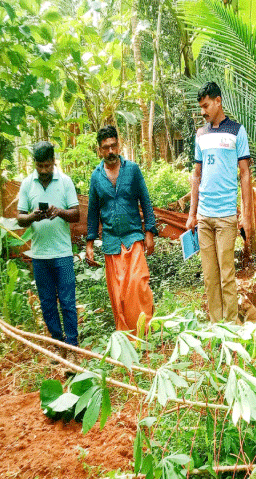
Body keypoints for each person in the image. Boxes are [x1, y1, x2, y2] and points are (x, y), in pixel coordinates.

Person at [185, 82, 254, 323]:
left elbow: (245, 174)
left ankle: (232, 325)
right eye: (201, 107)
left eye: (206, 106)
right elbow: (196, 174)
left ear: (218, 101)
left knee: (227, 275)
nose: (203, 111)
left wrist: (246, 215)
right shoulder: (200, 135)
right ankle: (216, 326)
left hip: (226, 216)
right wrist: (192, 214)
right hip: (204, 217)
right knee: (209, 276)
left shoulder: (237, 131)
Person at [86, 125, 157, 334]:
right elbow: (92, 212)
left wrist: (149, 232)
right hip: (111, 242)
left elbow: (145, 201)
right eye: (105, 147)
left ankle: (145, 332)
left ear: (119, 145)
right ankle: (127, 337)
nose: (110, 151)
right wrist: (89, 244)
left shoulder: (132, 170)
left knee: (138, 285)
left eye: (113, 145)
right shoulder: (96, 176)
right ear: (99, 150)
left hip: (133, 236)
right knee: (119, 295)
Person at [17, 142, 80, 348]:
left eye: (47, 166)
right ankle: (58, 344)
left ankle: (72, 346)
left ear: (54, 161)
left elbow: (76, 214)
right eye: (40, 166)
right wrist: (33, 216)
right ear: (34, 163)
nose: (44, 171)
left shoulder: (65, 182)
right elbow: (19, 218)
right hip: (40, 256)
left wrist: (59, 211)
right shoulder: (27, 184)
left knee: (68, 302)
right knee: (47, 304)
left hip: (62, 254)